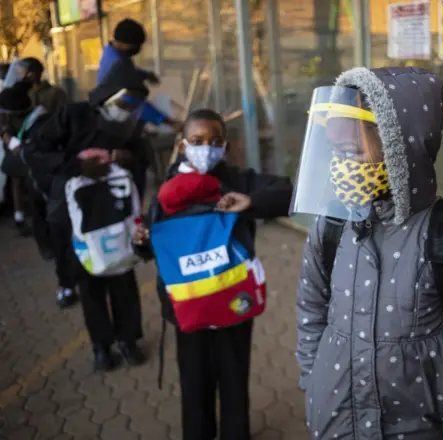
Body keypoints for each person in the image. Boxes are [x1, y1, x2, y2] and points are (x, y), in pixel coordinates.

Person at [292, 66, 443, 440]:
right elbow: (310, 308)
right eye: (334, 153)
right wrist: (313, 379)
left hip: (416, 426)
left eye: (351, 152)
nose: (340, 167)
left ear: (402, 149)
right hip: (336, 417)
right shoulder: (332, 227)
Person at [132, 108, 292, 440]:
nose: (207, 147)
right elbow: (155, 244)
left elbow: (286, 190)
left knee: (234, 379)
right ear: (181, 145)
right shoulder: (168, 189)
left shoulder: (237, 179)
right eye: (198, 140)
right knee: (195, 382)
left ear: (225, 146)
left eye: (215, 141)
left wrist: (250, 201)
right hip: (187, 304)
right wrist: (142, 243)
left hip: (234, 301)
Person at [24, 61, 150, 371]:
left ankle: (128, 340)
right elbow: (35, 152)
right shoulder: (73, 115)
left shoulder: (130, 127)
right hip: (76, 213)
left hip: (117, 213)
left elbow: (143, 159)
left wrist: (128, 157)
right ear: (109, 94)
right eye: (125, 100)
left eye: (135, 103)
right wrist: (76, 167)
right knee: (89, 280)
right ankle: (101, 347)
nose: (128, 109)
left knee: (123, 275)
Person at [97, 18, 181, 201]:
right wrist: (167, 120)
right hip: (121, 132)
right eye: (136, 45)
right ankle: (133, 218)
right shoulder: (117, 65)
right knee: (133, 174)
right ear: (126, 43)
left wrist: (144, 74)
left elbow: (129, 75)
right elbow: (135, 104)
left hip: (118, 127)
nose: (138, 49)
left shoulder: (113, 54)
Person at [19, 84, 78, 307]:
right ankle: (68, 283)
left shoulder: (40, 122)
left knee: (62, 242)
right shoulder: (49, 127)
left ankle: (67, 285)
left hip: (54, 193)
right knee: (65, 240)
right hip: (58, 192)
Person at [0, 80, 34, 236]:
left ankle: (31, 214)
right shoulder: (7, 109)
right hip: (15, 150)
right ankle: (19, 216)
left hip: (31, 149)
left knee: (28, 182)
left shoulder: (31, 112)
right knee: (17, 181)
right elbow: (4, 129)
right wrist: (11, 141)